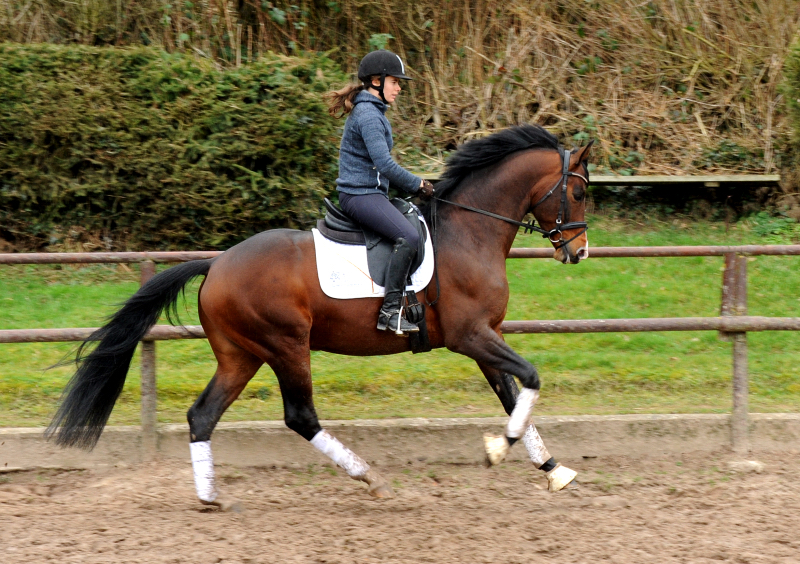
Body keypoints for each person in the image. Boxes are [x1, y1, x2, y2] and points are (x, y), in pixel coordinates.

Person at [324, 50, 435, 336]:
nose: (399, 88)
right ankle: (389, 312)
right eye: (395, 82)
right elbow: (384, 164)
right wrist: (417, 184)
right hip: (360, 196)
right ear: (377, 81)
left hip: (371, 193)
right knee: (409, 237)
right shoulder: (369, 115)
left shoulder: (372, 112)